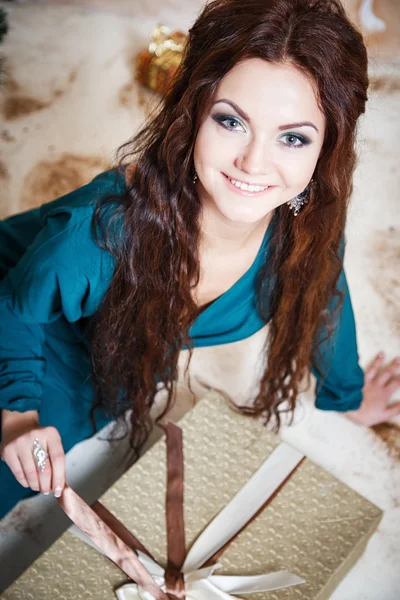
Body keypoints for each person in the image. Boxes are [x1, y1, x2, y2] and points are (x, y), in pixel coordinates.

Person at [0, 0, 399, 520]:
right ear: (193, 113)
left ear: (326, 149)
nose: (254, 163)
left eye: (293, 137)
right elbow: (16, 305)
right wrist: (16, 417)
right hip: (31, 337)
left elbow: (324, 294)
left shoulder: (307, 225)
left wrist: (346, 397)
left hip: (113, 365)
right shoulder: (102, 232)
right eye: (231, 122)